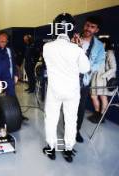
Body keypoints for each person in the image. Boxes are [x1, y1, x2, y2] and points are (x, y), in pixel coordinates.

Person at [42, 13, 90, 162]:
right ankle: (68, 150)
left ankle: (51, 148)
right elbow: (85, 68)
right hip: (72, 92)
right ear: (71, 29)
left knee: (51, 119)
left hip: (54, 90)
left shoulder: (47, 47)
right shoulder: (76, 49)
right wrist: (80, 48)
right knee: (71, 120)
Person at [71, 16, 105, 143]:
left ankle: (76, 131)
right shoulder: (72, 39)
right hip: (69, 80)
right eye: (87, 25)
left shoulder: (99, 46)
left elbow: (99, 63)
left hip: (84, 82)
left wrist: (87, 68)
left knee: (80, 109)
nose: (88, 29)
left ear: (96, 30)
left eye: (92, 27)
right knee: (67, 107)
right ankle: (68, 129)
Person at [88, 37, 117, 123]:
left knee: (103, 97)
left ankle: (102, 116)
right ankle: (97, 113)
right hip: (94, 78)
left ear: (105, 44)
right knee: (93, 96)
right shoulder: (97, 53)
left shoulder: (109, 53)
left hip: (103, 79)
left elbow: (113, 68)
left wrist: (103, 76)